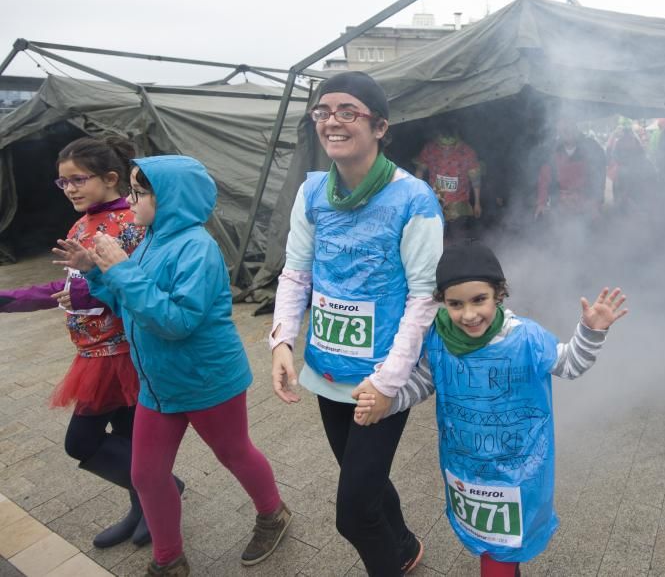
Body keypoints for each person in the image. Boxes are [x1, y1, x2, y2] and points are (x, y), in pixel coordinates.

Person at [55, 156, 289, 577]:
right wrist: (97, 274)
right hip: (157, 384)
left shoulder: (198, 248)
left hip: (207, 380)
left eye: (139, 193)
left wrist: (122, 270)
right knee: (146, 474)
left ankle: (273, 514)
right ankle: (168, 560)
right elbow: (130, 304)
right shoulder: (151, 239)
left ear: (171, 199)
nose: (130, 199)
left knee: (234, 453)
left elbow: (175, 322)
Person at [354, 242, 628, 575]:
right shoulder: (439, 338)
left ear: (498, 293)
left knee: (500, 556)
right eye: (455, 304)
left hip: (518, 475)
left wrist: (591, 330)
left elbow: (569, 364)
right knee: (490, 546)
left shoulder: (526, 338)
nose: (468, 315)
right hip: (468, 472)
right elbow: (423, 383)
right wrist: (388, 402)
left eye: (478, 300)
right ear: (442, 302)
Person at [269, 71, 443, 575]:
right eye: (323, 112)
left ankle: (388, 562)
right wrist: (283, 340)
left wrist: (389, 382)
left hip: (381, 377)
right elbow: (297, 272)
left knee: (353, 514)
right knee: (359, 476)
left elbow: (423, 298)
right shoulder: (313, 193)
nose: (333, 122)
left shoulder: (414, 200)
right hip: (327, 368)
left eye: (349, 112)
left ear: (380, 126)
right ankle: (406, 545)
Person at [0, 136, 170, 550]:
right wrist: (10, 299)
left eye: (78, 179)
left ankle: (164, 491)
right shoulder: (81, 225)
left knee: (82, 441)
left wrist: (85, 293)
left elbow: (142, 286)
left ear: (111, 178)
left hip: (123, 353)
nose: (70, 189)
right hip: (92, 353)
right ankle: (145, 505)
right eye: (63, 183)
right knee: (129, 440)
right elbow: (69, 284)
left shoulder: (131, 223)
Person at [414, 124, 482, 242]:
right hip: (436, 205)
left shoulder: (466, 152)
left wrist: (477, 203)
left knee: (459, 239)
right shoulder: (430, 149)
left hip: (459, 206)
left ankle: (458, 257)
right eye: (443, 146)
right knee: (436, 240)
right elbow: (419, 171)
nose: (446, 150)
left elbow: (475, 178)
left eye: (450, 146)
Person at [534, 118, 606, 222]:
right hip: (560, 204)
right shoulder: (552, 149)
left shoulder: (592, 147)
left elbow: (599, 178)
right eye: (563, 130)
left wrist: (596, 203)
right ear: (559, 131)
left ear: (576, 128)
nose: (568, 132)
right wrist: (541, 203)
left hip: (586, 204)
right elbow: (544, 180)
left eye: (570, 127)